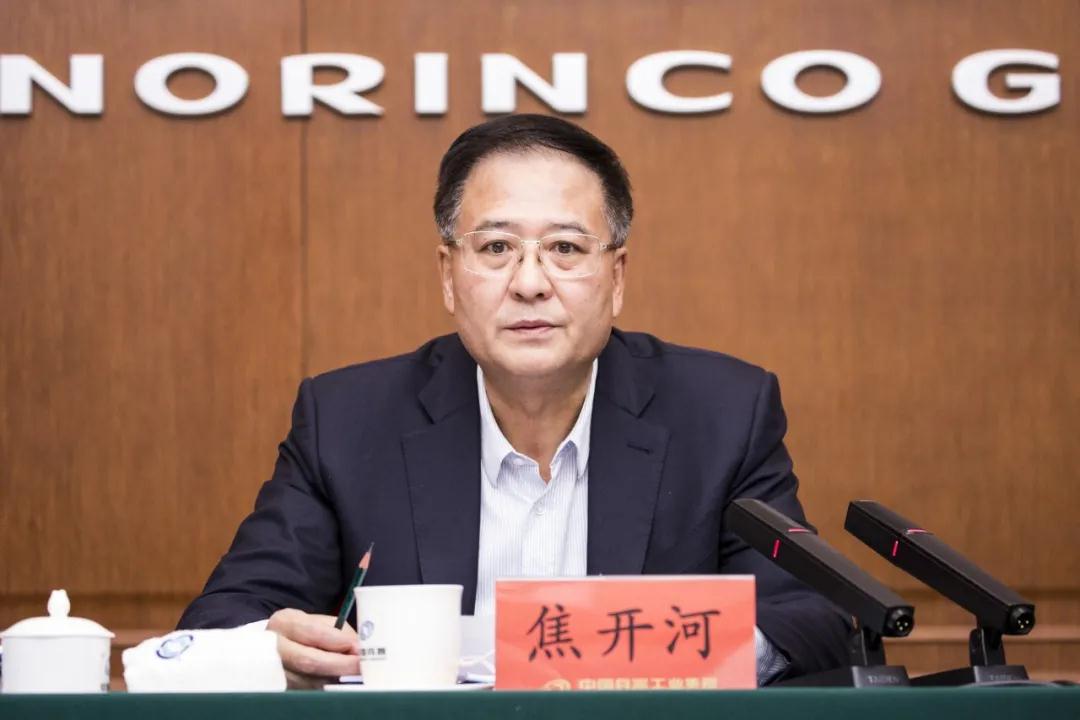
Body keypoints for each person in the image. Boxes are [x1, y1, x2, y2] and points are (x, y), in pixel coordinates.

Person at [178, 114, 851, 687]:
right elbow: (219, 624)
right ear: (449, 275)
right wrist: (270, 649)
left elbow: (811, 619)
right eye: (497, 247)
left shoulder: (722, 414)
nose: (530, 282)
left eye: (565, 248)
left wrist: (653, 654)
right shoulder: (348, 423)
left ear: (616, 277)